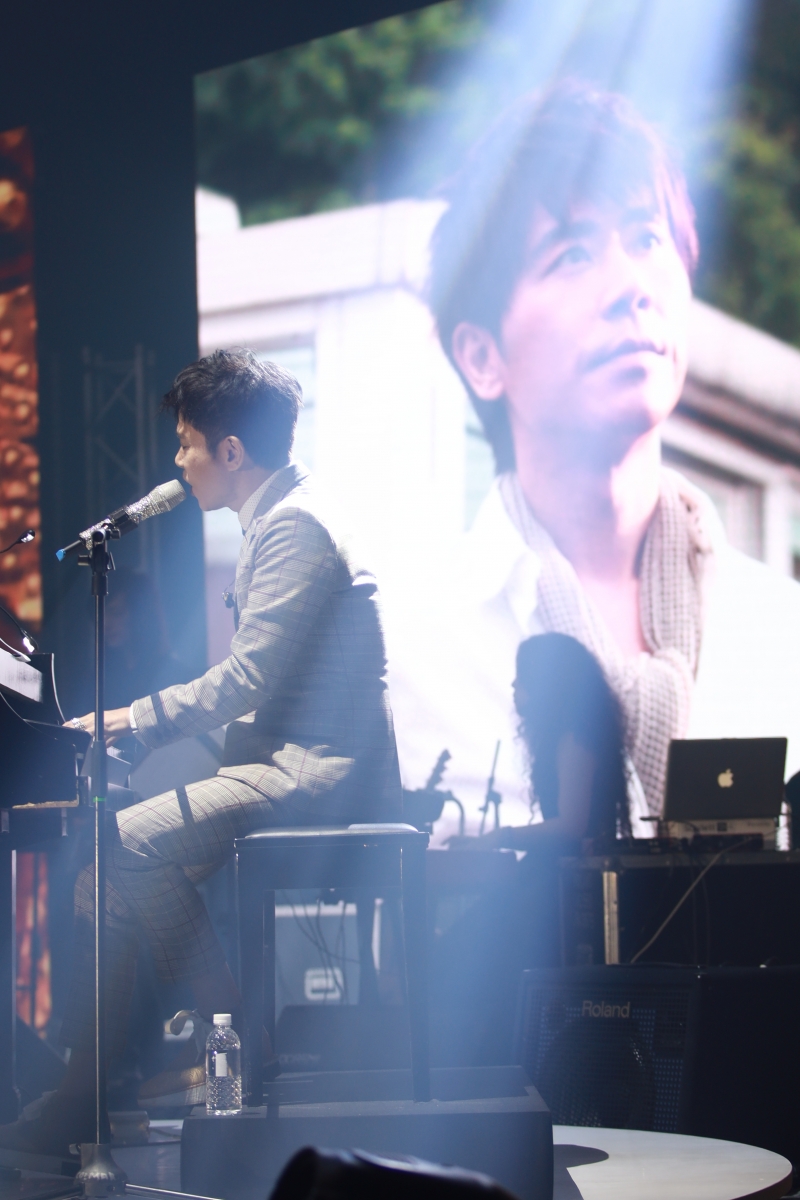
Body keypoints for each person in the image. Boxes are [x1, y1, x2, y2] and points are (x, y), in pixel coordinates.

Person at [0, 348, 401, 1155]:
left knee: (124, 840)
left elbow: (249, 678)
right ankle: (90, 1089)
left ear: (232, 450)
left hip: (319, 773)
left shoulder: (294, 525)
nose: (180, 463)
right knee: (98, 885)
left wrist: (131, 720)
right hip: (278, 760)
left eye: (187, 443)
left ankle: (233, 1034)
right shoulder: (279, 519)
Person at [386, 79, 800, 840]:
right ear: (481, 357)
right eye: (572, 254)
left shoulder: (781, 629)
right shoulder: (410, 655)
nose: (631, 286)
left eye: (647, 239)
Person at [466, 632, 630, 854]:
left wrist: (501, 836)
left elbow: (571, 826)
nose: (514, 683)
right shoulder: (572, 736)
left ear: (544, 683)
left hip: (575, 870)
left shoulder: (574, 741)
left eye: (522, 674)